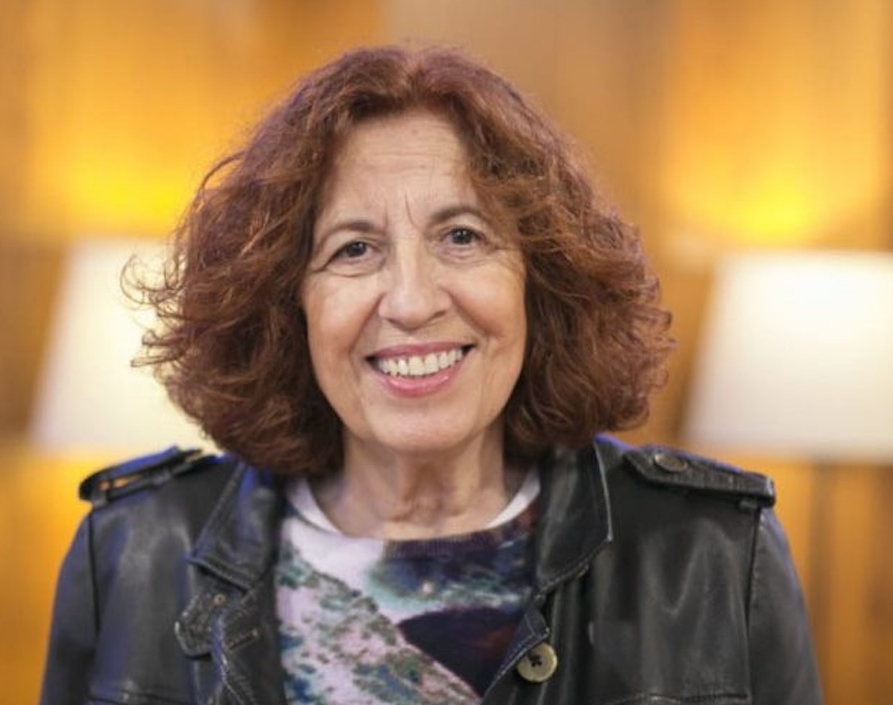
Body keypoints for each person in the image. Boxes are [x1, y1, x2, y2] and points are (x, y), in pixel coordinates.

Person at [40, 45, 822, 705]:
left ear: (538, 281)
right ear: (288, 305)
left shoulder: (715, 552)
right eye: (354, 249)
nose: (412, 301)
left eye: (462, 236)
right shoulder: (133, 551)